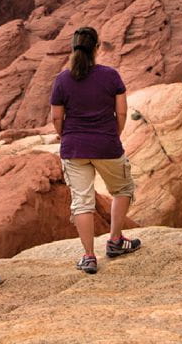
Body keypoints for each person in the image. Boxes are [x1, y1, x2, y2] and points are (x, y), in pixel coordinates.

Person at [50, 26, 141, 274]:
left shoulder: (62, 80)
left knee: (82, 202)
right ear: (97, 48)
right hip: (107, 145)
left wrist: (66, 135)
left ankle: (89, 256)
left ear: (73, 48)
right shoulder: (110, 76)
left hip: (74, 147)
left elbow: (57, 118)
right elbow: (121, 112)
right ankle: (115, 240)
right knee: (123, 189)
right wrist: (113, 134)